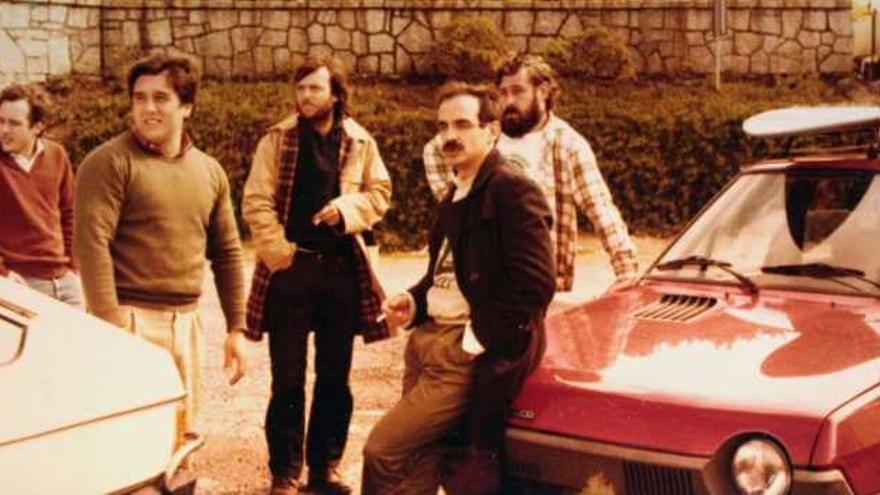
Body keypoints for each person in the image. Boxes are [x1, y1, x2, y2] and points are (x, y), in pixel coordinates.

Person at [362, 82, 556, 494]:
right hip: (426, 345)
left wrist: (476, 338)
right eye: (443, 126)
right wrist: (413, 301)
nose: (450, 136)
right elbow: (445, 274)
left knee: (383, 451)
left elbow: (537, 284)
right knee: (422, 459)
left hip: (460, 354)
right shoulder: (456, 193)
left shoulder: (512, 189)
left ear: (491, 131)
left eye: (463, 124)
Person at [73, 53, 248, 445]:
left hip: (187, 323)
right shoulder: (107, 163)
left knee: (178, 439)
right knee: (124, 442)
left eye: (161, 98)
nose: (148, 108)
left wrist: (236, 328)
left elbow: (228, 253)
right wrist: (112, 328)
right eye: (139, 98)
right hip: (129, 320)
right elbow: (91, 244)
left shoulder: (210, 171)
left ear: (187, 106)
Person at [242, 56, 392, 495]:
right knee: (286, 377)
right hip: (292, 271)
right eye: (301, 88)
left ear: (335, 94)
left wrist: (346, 210)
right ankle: (284, 473)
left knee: (334, 376)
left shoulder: (360, 141)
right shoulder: (279, 138)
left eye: (314, 89)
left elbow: (379, 193)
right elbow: (256, 200)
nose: (305, 96)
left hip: (342, 272)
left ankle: (325, 469)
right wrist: (280, 254)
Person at [423, 54, 638, 297]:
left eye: (518, 91)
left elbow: (600, 208)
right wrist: (451, 197)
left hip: (537, 279)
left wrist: (626, 270)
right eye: (503, 93)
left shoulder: (567, 144)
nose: (508, 101)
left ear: (543, 91)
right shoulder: (486, 135)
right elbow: (434, 150)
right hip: (479, 280)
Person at [0, 83, 82, 306]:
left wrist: (73, 268)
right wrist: (3, 274)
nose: (4, 130)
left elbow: (70, 214)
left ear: (38, 126)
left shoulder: (57, 154)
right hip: (19, 283)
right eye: (1, 121)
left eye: (14, 123)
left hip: (65, 281)